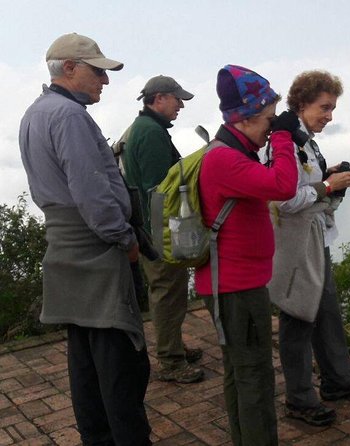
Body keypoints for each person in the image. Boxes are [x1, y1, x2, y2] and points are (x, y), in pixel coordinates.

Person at [18, 33, 151, 445]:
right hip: (97, 249)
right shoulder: (70, 116)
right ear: (70, 68)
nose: (105, 82)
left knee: (86, 365)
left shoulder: (35, 113)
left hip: (63, 250)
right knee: (121, 368)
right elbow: (93, 194)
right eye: (98, 72)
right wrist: (125, 240)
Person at [194, 64, 299, 446]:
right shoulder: (225, 159)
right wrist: (285, 137)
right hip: (236, 288)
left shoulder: (235, 152)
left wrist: (277, 135)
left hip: (235, 283)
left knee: (241, 373)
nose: (271, 127)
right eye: (268, 120)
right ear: (247, 118)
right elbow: (283, 185)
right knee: (253, 376)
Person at [268, 70, 350, 427]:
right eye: (324, 107)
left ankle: (337, 381)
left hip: (316, 239)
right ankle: (299, 398)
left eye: (332, 108)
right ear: (301, 103)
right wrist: (328, 186)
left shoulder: (306, 140)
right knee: (298, 318)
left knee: (326, 311)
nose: (329, 116)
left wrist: (330, 181)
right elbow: (283, 200)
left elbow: (309, 188)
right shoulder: (282, 143)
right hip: (296, 245)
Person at [122, 75, 205, 383]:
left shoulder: (145, 128)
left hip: (152, 226)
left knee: (169, 289)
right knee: (168, 291)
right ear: (158, 99)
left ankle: (174, 345)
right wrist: (166, 236)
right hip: (159, 229)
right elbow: (160, 188)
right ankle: (171, 360)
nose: (180, 105)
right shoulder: (151, 133)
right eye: (176, 99)